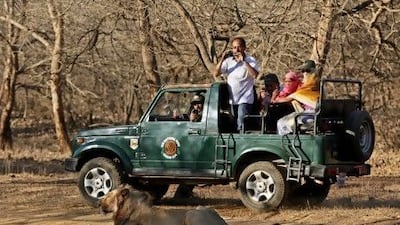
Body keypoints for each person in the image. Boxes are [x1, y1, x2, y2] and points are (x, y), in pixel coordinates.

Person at [213, 37, 260, 132]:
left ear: (244, 47)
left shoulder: (250, 60)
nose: (237, 50)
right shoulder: (229, 61)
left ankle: (241, 141)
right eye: (234, 48)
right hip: (233, 99)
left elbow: (255, 75)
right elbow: (216, 73)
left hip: (245, 98)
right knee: (233, 122)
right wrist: (222, 58)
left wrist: (244, 62)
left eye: (239, 47)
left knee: (241, 121)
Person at [276, 60, 320, 135]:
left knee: (281, 123)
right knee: (285, 120)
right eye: (303, 71)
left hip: (312, 114)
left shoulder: (310, 85)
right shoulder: (317, 83)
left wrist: (274, 99)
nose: (304, 73)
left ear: (312, 71)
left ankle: (286, 145)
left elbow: (289, 98)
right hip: (312, 113)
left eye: (306, 71)